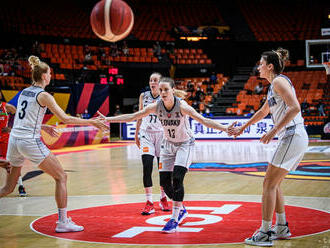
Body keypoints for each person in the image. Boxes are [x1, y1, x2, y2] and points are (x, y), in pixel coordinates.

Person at [98, 77, 234, 233]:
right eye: (161, 90)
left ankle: (174, 218)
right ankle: (181, 208)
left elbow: (204, 121)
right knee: (164, 182)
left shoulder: (182, 106)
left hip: (184, 144)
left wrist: (225, 128)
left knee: (177, 177)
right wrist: (108, 119)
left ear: (173, 90)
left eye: (166, 90)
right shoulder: (156, 106)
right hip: (167, 145)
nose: (162, 92)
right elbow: (134, 116)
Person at [0, 55, 108, 233]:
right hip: (29, 141)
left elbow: (22, 119)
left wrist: (43, 126)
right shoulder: (44, 95)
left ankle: (64, 220)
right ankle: (63, 222)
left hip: (14, 141)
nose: (51, 75)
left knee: (8, 188)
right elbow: (65, 118)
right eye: (49, 73)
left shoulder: (24, 92)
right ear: (44, 76)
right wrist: (92, 122)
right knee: (61, 177)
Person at [229, 48, 308, 246]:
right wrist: (243, 128)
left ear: (270, 66)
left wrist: (273, 131)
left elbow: (295, 107)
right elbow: (263, 111)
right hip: (291, 136)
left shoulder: (280, 81)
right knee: (275, 183)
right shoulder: (273, 86)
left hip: (292, 134)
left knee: (268, 184)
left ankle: (264, 232)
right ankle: (281, 227)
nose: (259, 66)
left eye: (261, 63)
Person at [134, 72, 170, 215]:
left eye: (155, 80)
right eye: (150, 80)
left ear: (160, 82)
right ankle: (149, 202)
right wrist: (136, 134)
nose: (152, 82)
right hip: (146, 134)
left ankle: (163, 198)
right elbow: (139, 115)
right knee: (147, 166)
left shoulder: (165, 96)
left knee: (163, 170)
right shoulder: (144, 96)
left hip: (161, 136)